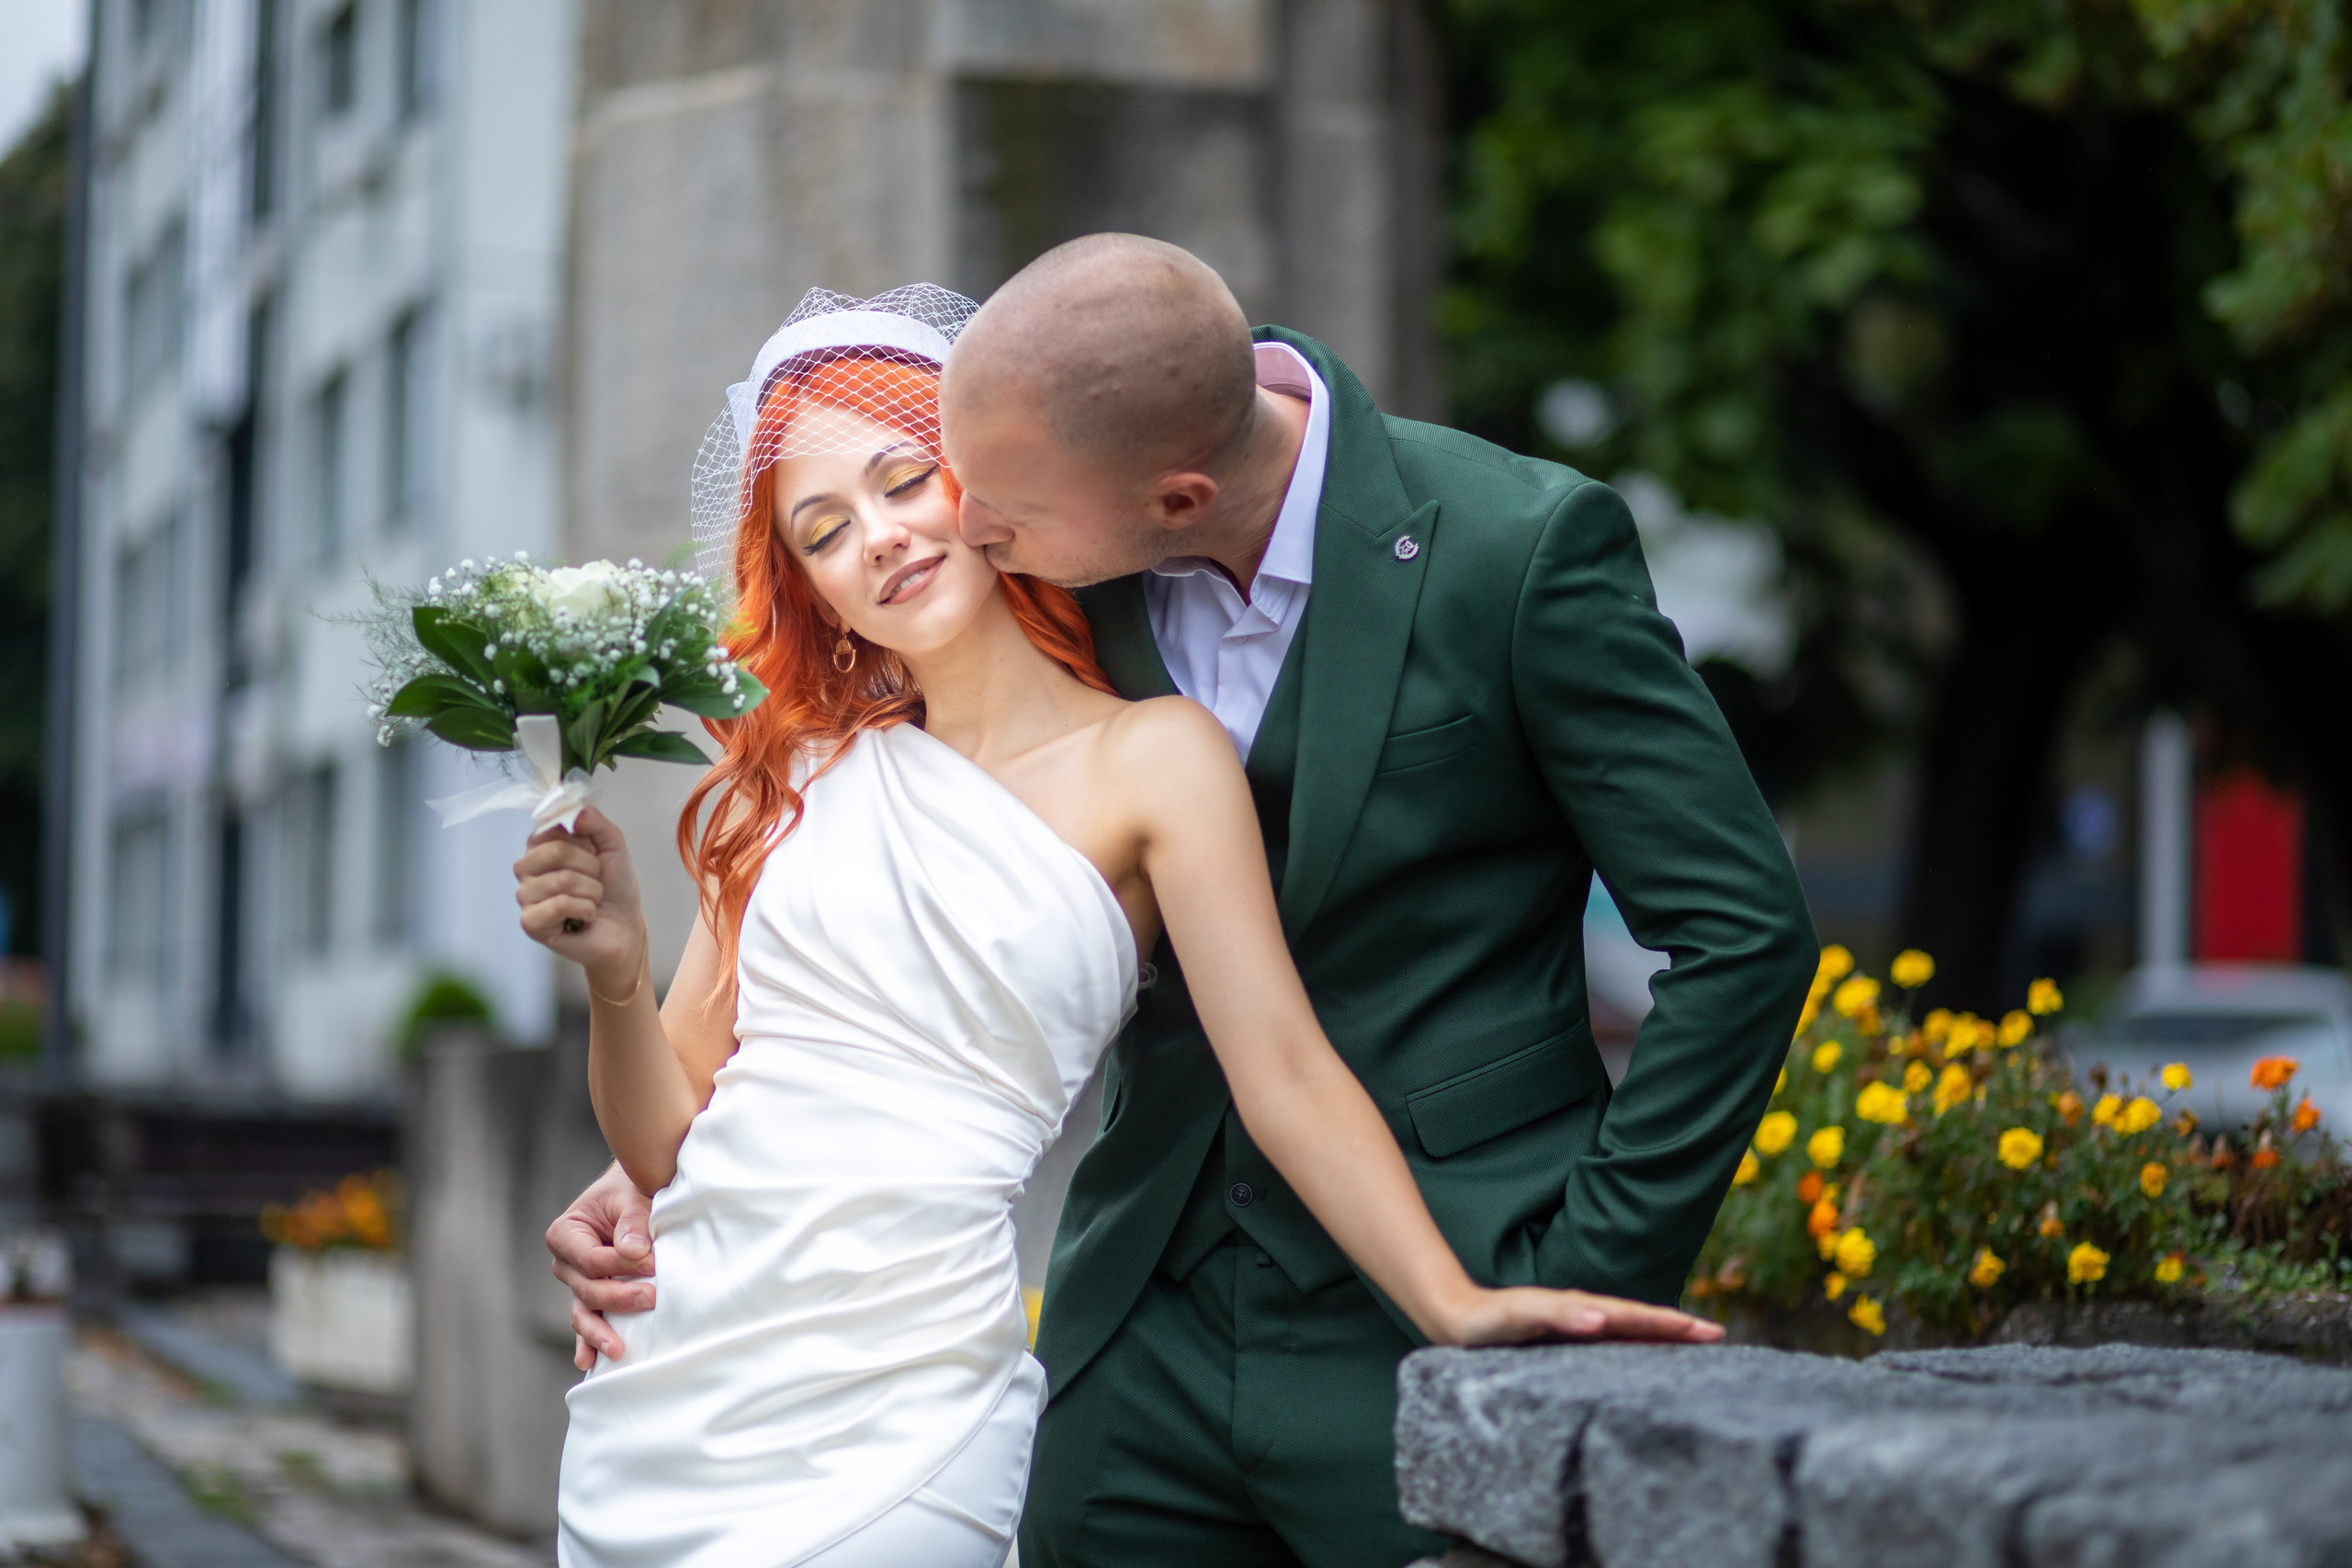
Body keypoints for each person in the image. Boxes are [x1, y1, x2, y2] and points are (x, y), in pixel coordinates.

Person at [526, 284, 1723, 1568]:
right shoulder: (801, 775)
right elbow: (668, 1140)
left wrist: (1455, 1302)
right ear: (810, 588)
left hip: (911, 1389)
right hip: (676, 1382)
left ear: (983, 484)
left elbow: (1286, 1073)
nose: (878, 536)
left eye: (905, 480)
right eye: (824, 529)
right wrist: (618, 977)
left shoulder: (1157, 760)